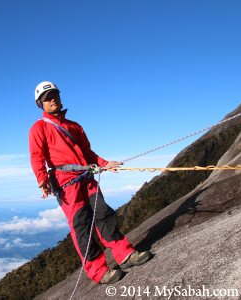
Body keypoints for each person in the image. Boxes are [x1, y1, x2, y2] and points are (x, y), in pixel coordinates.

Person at [29, 81, 151, 284]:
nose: (53, 99)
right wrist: (42, 180)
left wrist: (104, 163)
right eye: (47, 98)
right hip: (65, 183)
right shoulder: (38, 128)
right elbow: (36, 156)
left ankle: (125, 254)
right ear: (40, 104)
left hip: (86, 178)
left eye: (55, 95)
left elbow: (88, 153)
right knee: (81, 224)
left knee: (103, 213)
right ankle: (98, 271)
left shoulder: (74, 126)